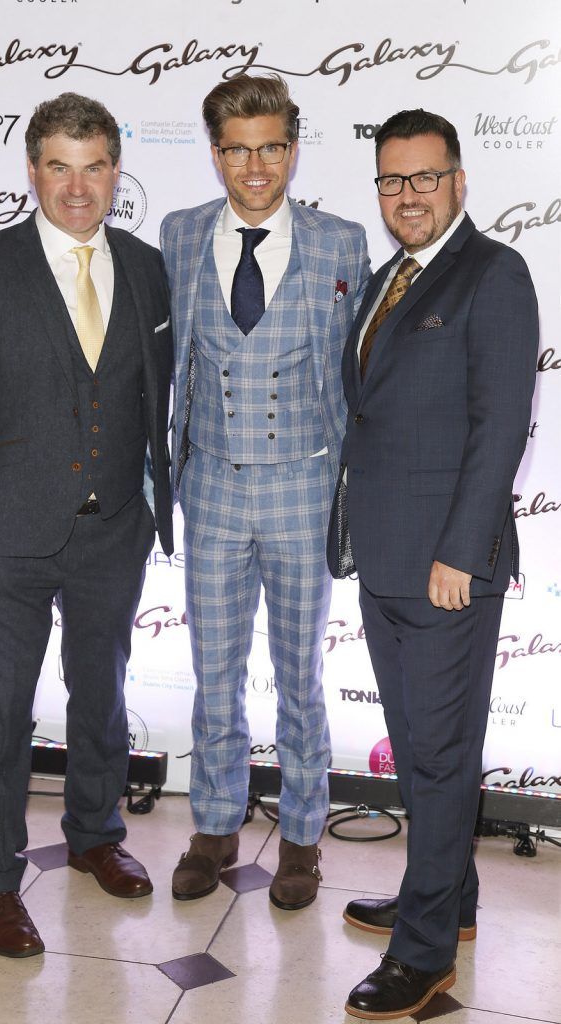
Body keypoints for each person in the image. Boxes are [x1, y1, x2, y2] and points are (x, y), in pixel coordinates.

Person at [0, 92, 173, 958]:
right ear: (32, 172)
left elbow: (154, 395)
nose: (78, 186)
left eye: (94, 165)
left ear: (115, 172)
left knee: (101, 698)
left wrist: (157, 507)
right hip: (4, 536)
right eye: (59, 166)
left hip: (114, 532)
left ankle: (95, 835)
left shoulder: (145, 266)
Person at [327, 109, 538, 1018]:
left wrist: (459, 549)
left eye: (423, 178)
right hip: (383, 559)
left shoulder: (494, 272)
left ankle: (423, 959)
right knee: (418, 754)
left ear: (458, 181)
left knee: (442, 757)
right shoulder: (385, 279)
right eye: (390, 180)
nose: (405, 196)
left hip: (447, 566)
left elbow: (502, 425)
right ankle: (447, 900)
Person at [160, 74, 370, 910]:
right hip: (207, 484)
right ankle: (213, 823)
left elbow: (357, 375)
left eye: (271, 147)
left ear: (292, 147)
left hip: (305, 486)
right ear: (216, 154)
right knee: (213, 674)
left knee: (299, 676)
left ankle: (302, 836)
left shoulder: (340, 242)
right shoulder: (176, 237)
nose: (255, 167)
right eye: (238, 149)